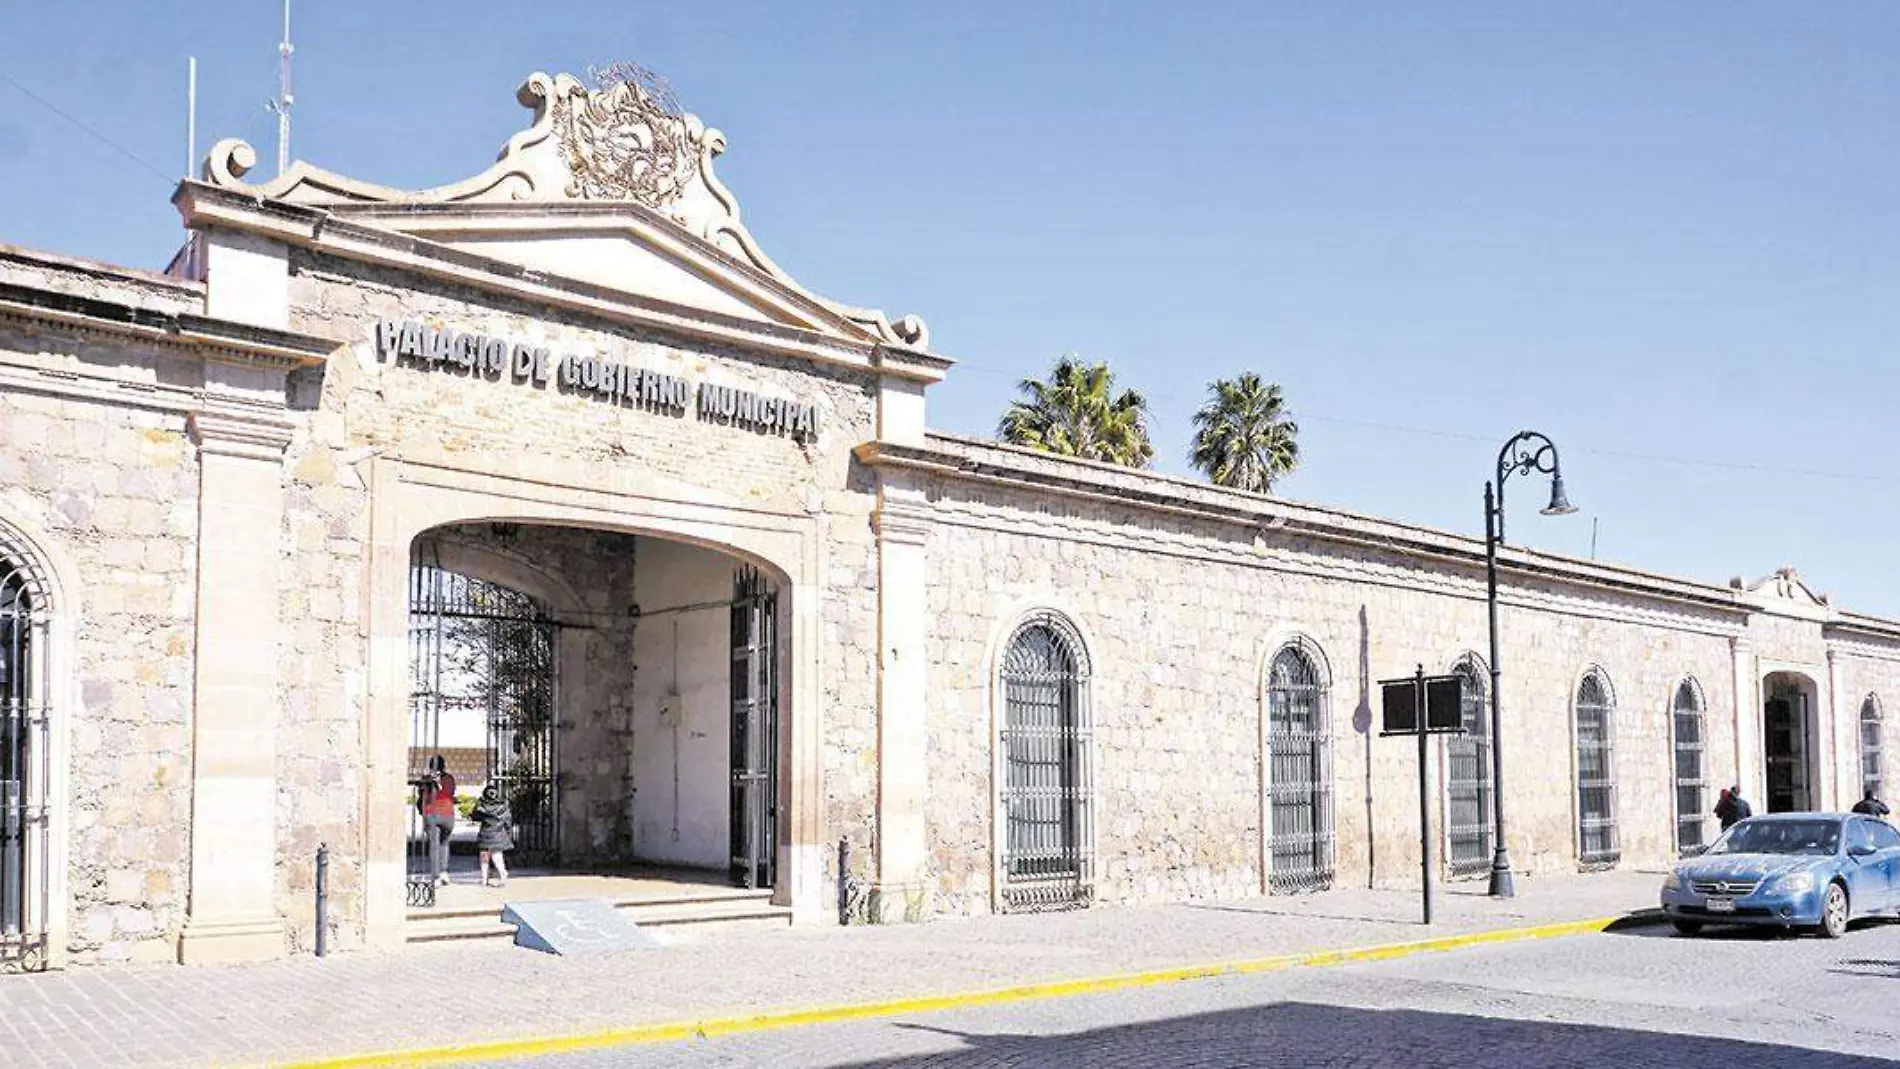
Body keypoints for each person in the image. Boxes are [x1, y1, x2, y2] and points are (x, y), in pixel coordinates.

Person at [414, 755, 458, 888]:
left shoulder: (426, 779)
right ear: (443, 765)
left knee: (434, 846)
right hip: (448, 814)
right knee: (444, 844)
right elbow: (451, 793)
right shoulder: (449, 778)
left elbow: (421, 796)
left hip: (431, 812)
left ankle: (436, 877)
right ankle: (444, 872)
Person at [472, 783, 515, 888]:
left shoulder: (481, 805)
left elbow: (474, 816)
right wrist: (509, 834)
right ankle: (502, 874)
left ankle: (484, 878)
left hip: (485, 834)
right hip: (499, 834)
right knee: (497, 856)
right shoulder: (503, 806)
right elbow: (508, 822)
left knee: (484, 856)